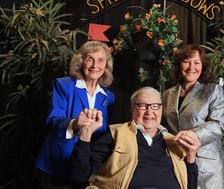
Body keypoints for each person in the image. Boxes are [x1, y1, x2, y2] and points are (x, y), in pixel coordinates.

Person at [70, 86, 200, 189]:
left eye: (155, 106)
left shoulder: (174, 141)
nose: (149, 112)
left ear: (161, 110)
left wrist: (191, 156)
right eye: (142, 106)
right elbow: (80, 175)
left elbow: (190, 186)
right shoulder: (115, 134)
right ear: (133, 110)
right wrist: (85, 134)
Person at [35, 40, 115, 189]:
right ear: (81, 61)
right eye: (90, 59)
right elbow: (52, 121)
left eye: (100, 60)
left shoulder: (108, 97)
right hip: (57, 165)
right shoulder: (64, 85)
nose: (94, 66)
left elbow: (103, 135)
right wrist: (75, 124)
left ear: (106, 65)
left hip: (86, 167)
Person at [162, 44, 224, 189]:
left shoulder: (213, 90)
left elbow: (219, 124)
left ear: (202, 66)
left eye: (196, 62)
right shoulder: (167, 94)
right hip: (176, 161)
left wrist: (192, 134)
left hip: (207, 166)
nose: (191, 67)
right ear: (179, 65)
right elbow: (162, 125)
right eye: (186, 61)